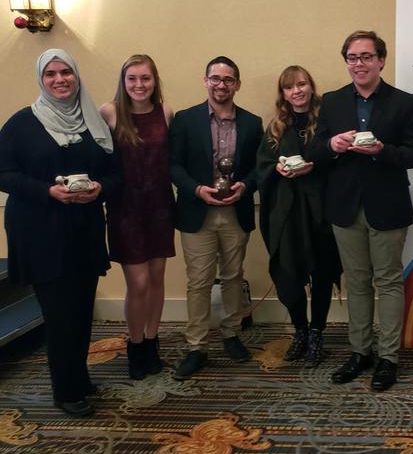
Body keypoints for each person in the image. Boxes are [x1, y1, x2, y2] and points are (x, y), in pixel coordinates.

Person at [0, 49, 118, 416]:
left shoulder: (91, 122)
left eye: (66, 72)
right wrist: (46, 191)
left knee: (82, 309)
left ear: (77, 75)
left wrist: (101, 188)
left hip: (82, 229)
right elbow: (3, 174)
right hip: (40, 231)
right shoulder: (22, 123)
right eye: (50, 74)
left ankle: (78, 378)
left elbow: (115, 173)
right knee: (60, 313)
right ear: (41, 79)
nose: (59, 79)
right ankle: (65, 391)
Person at [310, 31, 413, 392]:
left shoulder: (403, 102)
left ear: (381, 61)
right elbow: (315, 152)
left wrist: (381, 150)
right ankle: (360, 352)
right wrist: (331, 144)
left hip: (387, 204)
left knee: (388, 281)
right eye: (352, 57)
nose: (358, 63)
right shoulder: (331, 101)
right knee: (356, 282)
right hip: (344, 207)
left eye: (365, 56)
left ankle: (388, 357)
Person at [169, 56, 263, 380]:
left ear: (237, 84)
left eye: (228, 79)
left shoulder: (252, 122)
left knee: (234, 275)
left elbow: (258, 168)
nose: (221, 84)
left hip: (235, 210)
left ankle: (231, 333)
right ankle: (196, 346)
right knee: (199, 282)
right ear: (205, 80)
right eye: (215, 78)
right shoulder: (184, 119)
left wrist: (245, 186)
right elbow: (173, 165)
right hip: (198, 212)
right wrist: (196, 189)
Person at [256, 65, 342, 366]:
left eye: (302, 84)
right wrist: (276, 170)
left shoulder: (327, 122)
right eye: (290, 87)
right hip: (288, 215)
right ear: (283, 93)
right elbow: (262, 167)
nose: (297, 91)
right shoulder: (276, 127)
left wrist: (315, 166)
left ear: (311, 86)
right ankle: (300, 330)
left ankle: (317, 332)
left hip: (321, 214)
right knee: (289, 276)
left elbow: (339, 160)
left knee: (321, 274)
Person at [99, 54, 175, 380]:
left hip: (160, 206)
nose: (139, 85)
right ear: (124, 81)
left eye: (145, 78)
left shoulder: (166, 112)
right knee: (138, 282)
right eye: (132, 79)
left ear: (155, 80)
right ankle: (135, 343)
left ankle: (152, 341)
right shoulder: (110, 112)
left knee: (157, 279)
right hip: (125, 208)